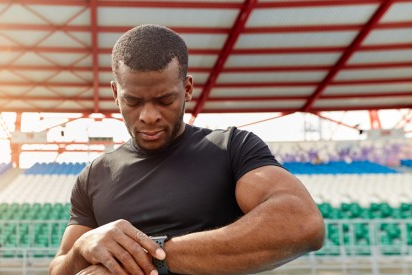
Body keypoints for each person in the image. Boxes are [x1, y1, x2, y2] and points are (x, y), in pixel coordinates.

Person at [49, 24, 325, 275]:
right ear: (115, 94)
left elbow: (302, 222)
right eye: (132, 101)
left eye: (165, 99)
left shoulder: (232, 148)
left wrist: (150, 256)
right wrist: (81, 248)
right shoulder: (95, 175)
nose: (148, 115)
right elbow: (59, 268)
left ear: (188, 88)